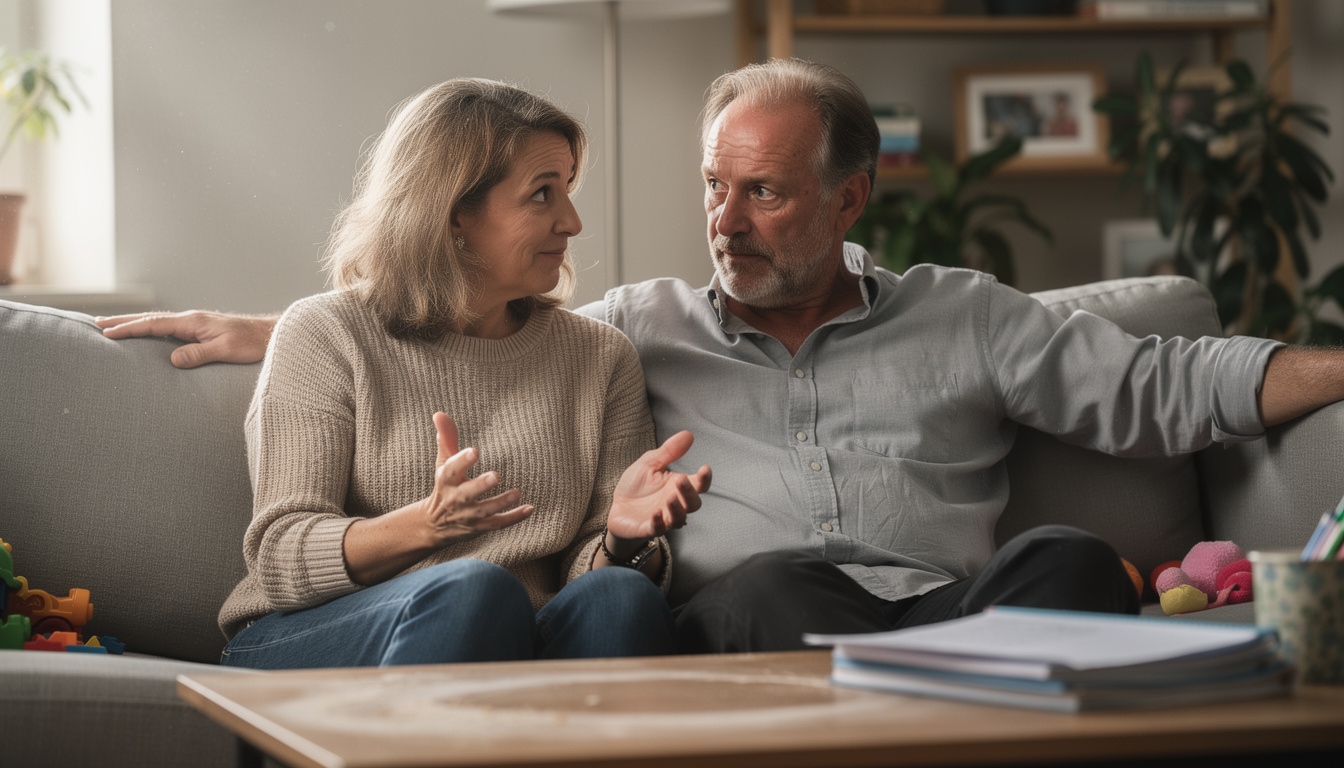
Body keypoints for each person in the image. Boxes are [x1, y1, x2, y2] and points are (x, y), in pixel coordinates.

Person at [97, 59, 1344, 656]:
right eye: (714, 189)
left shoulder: (958, 313)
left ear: (851, 199)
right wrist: (279, 332)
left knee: (1073, 560)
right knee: (749, 590)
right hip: (776, 620)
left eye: (765, 194)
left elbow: (1166, 381)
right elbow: (427, 323)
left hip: (958, 617)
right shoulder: (639, 325)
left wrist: (1336, 365)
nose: (726, 223)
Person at [191, 77, 712, 670]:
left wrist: (621, 543)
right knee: (475, 588)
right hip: (316, 633)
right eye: (542, 194)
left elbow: (588, 579)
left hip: (518, 636)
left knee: (620, 595)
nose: (571, 222)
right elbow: (281, 557)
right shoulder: (325, 334)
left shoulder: (600, 357)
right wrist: (426, 526)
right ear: (454, 213)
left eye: (566, 189)